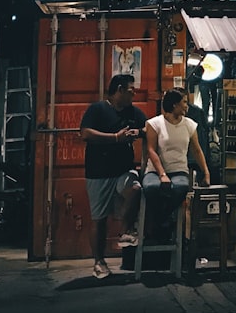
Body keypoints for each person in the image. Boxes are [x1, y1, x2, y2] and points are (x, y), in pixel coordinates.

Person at [80, 73, 146, 279]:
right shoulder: (97, 109)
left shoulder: (133, 112)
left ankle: (126, 230)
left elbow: (147, 128)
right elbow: (85, 133)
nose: (133, 93)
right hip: (98, 173)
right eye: (130, 89)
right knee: (99, 219)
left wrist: (140, 132)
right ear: (118, 89)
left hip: (124, 170)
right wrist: (116, 138)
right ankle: (99, 262)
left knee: (135, 189)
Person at [142, 88, 210, 240]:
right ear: (174, 105)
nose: (187, 106)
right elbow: (151, 151)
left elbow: (197, 151)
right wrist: (162, 174)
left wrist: (206, 172)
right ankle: (164, 223)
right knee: (151, 188)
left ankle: (161, 222)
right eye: (184, 102)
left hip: (179, 170)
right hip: (155, 171)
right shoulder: (154, 123)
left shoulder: (189, 125)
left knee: (181, 187)